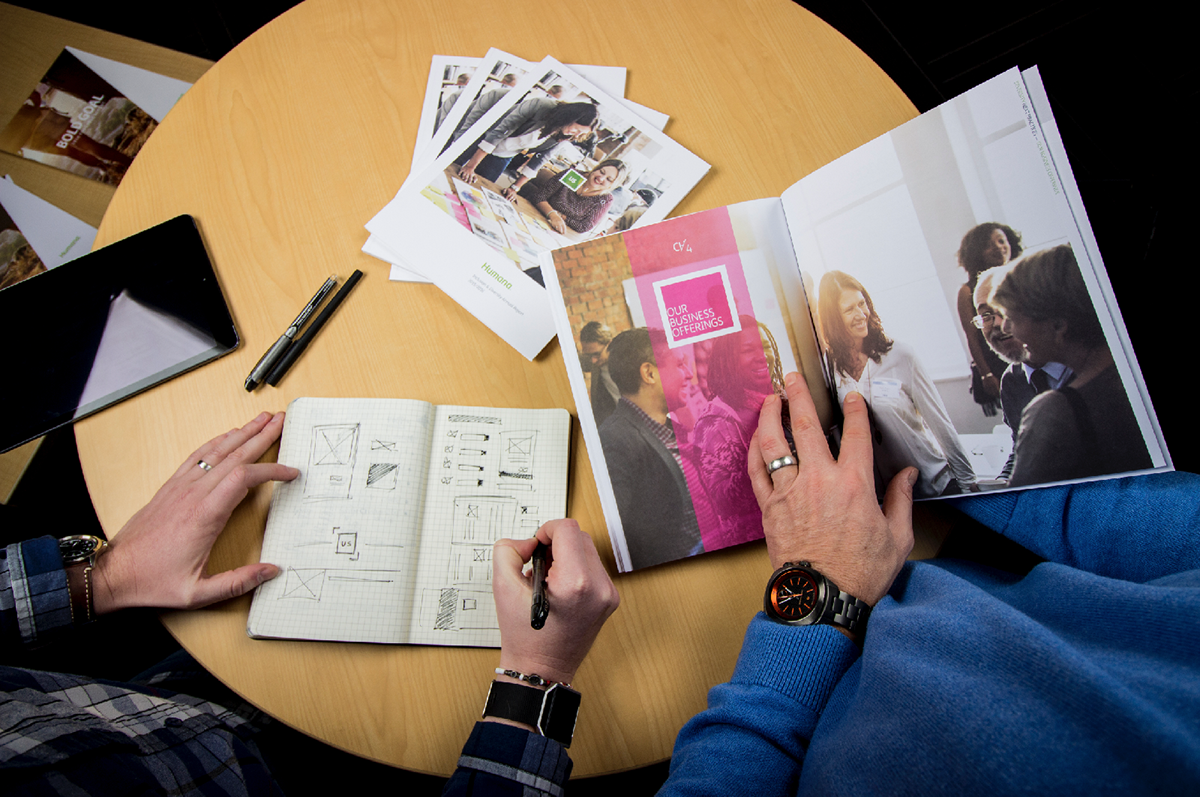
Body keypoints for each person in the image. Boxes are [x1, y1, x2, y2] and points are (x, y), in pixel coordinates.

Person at [445, 370, 1200, 795]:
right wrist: (941, 469)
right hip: (909, 547)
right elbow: (1149, 524)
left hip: (804, 670)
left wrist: (535, 676)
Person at [990, 244, 1153, 486]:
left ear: (1057, 325)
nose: (1005, 328)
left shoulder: (1055, 412)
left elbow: (1027, 509)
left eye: (1013, 318)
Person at [818, 270, 977, 497]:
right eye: (849, 309)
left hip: (934, 486)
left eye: (862, 303)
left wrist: (968, 483)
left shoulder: (900, 355)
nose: (862, 314)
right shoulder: (829, 369)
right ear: (834, 319)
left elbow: (940, 424)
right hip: (886, 499)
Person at [596, 328, 703, 569]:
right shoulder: (614, 440)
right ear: (649, 373)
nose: (688, 374)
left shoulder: (673, 427)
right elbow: (622, 539)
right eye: (679, 365)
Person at [972, 265, 1073, 482]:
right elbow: (1022, 449)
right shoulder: (1011, 381)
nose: (998, 323)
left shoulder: (1084, 365)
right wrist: (1002, 484)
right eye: (986, 315)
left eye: (1003, 308)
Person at [692, 319, 781, 549]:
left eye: (766, 346)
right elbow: (724, 500)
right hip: (758, 544)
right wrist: (765, 458)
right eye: (748, 350)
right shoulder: (714, 422)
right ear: (728, 360)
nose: (762, 356)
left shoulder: (777, 399)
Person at [456, 99, 599, 200]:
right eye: (577, 129)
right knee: (457, 169)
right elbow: (499, 132)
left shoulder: (566, 135)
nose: (576, 135)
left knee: (478, 188)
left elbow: (540, 159)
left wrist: (514, 188)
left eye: (581, 134)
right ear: (570, 117)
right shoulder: (541, 106)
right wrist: (470, 166)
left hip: (505, 153)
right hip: (483, 141)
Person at [955, 223, 1023, 416]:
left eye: (1002, 241)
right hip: (996, 361)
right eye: (989, 244)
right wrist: (986, 374)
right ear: (978, 252)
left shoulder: (1021, 277)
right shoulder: (968, 291)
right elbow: (972, 337)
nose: (999, 247)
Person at [523, 159, 627, 234]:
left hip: (559, 232)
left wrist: (560, 217)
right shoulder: (573, 176)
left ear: (613, 185)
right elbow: (539, 196)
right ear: (596, 168)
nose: (601, 178)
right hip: (535, 216)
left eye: (609, 179)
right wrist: (553, 215)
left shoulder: (605, 199)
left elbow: (584, 227)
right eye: (601, 172)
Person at [579, 320, 619, 426]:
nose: (593, 361)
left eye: (596, 354)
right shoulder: (594, 360)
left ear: (609, 344)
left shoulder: (627, 362)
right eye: (588, 355)